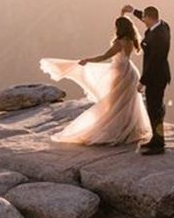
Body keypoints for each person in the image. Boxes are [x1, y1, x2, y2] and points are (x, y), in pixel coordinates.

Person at [39, 16, 152, 146]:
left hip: (120, 73)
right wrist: (124, 13)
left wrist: (87, 60)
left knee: (114, 102)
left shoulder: (119, 42)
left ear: (119, 28)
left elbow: (104, 56)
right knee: (127, 102)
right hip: (131, 72)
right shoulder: (131, 40)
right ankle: (129, 128)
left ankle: (117, 130)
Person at [121, 4, 171, 155]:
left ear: (150, 18)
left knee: (155, 109)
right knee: (155, 108)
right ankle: (156, 139)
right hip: (159, 75)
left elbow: (155, 61)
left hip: (156, 76)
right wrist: (133, 11)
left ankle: (159, 144)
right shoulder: (162, 25)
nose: (143, 21)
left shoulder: (158, 36)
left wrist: (143, 81)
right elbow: (147, 17)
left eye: (145, 19)